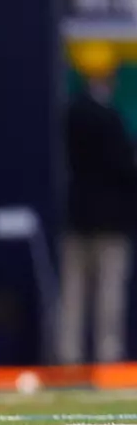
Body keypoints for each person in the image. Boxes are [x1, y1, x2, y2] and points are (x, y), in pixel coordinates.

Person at [61, 40, 137, 363]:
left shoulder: (71, 112)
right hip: (110, 220)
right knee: (108, 292)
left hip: (78, 216)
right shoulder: (108, 118)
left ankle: (68, 355)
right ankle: (107, 355)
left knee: (74, 294)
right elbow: (122, 167)